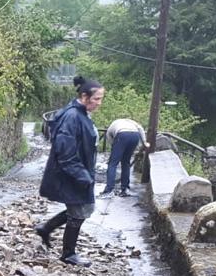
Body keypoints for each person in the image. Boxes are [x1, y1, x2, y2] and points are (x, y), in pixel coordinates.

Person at [35, 75, 105, 266]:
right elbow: (65, 151)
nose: (99, 103)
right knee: (80, 210)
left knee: (78, 208)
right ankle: (68, 254)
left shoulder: (80, 114)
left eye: (101, 99)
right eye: (97, 98)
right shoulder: (73, 116)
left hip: (77, 171)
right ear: (84, 96)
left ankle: (46, 228)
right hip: (72, 172)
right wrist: (83, 176)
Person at [99, 117, 146, 197]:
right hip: (135, 135)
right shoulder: (131, 122)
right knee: (126, 162)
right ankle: (125, 189)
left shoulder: (111, 127)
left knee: (112, 164)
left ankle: (109, 190)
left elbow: (112, 143)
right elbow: (140, 128)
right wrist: (144, 142)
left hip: (122, 134)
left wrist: (117, 150)